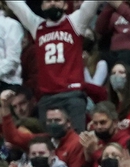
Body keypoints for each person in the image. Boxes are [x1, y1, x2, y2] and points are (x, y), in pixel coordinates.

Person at [7, 0, 101, 130]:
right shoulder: (37, 26)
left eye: (56, 0)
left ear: (65, 5)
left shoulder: (75, 21)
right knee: (49, 144)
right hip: (47, 97)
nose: (52, 4)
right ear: (42, 6)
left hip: (72, 94)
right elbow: (16, 5)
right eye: (47, 1)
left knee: (77, 141)